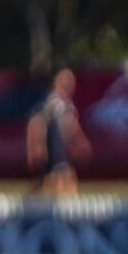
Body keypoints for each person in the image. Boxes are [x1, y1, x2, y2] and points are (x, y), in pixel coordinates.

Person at [25, 67, 90, 199]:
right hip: (54, 150)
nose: (70, 83)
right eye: (66, 79)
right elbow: (36, 122)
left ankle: (28, 207)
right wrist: (37, 145)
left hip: (61, 152)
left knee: (52, 183)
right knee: (59, 182)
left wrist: (80, 141)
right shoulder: (52, 102)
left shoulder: (67, 104)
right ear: (57, 81)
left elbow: (72, 126)